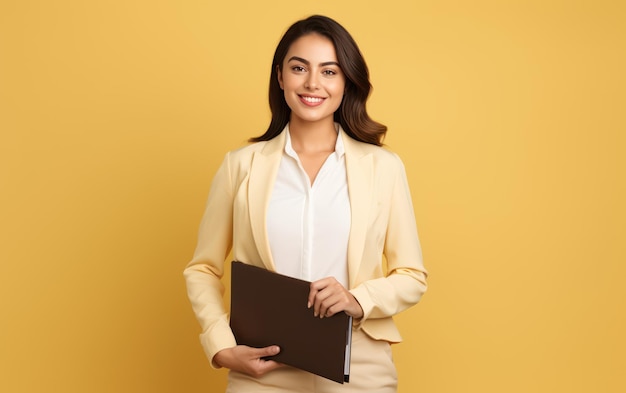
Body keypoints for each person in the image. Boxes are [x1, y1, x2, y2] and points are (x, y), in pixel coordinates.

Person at [184, 15, 427, 393]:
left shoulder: (383, 168)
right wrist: (221, 346)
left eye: (329, 71)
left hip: (358, 363)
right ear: (280, 76)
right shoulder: (241, 166)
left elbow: (412, 276)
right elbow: (202, 268)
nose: (313, 83)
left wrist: (356, 299)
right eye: (300, 68)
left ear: (346, 81)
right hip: (263, 367)